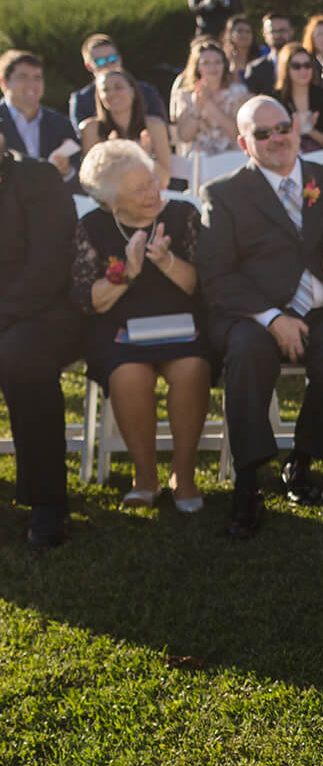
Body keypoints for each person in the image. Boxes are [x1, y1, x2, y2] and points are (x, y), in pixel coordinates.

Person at [197, 96, 323, 539]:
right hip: (254, 314)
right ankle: (247, 482)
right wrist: (272, 319)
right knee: (247, 356)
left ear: (296, 127)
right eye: (262, 133)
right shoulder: (224, 193)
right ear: (244, 142)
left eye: (282, 127)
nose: (276, 139)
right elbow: (217, 277)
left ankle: (301, 461)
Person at [72, 140, 212, 509]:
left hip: (182, 324)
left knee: (191, 369)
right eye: (139, 190)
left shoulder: (183, 215)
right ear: (112, 202)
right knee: (129, 375)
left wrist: (165, 262)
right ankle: (145, 476)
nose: (153, 193)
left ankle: (184, 474)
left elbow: (200, 285)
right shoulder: (93, 227)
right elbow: (88, 301)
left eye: (152, 181)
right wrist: (128, 273)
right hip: (118, 328)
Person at [0, 147, 82, 549]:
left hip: (45, 310)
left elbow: (49, 265)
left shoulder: (38, 179)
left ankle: (48, 502)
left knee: (22, 359)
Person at [79, 69, 173, 189]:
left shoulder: (154, 126)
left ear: (132, 91)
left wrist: (142, 157)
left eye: (118, 87)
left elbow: (164, 179)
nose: (112, 94)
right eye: (105, 90)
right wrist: (110, 158)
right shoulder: (91, 129)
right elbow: (90, 181)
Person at [1, 50, 77, 179]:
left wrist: (67, 171)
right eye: (23, 77)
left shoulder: (61, 124)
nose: (32, 85)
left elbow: (79, 174)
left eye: (37, 78)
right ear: (4, 83)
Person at [169, 39, 249, 158]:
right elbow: (184, 136)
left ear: (224, 65)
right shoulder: (184, 95)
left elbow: (236, 134)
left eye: (217, 62)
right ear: (197, 67)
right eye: (206, 63)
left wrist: (209, 105)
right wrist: (197, 108)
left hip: (232, 158)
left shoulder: (238, 92)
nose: (212, 67)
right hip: (198, 162)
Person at [68, 34, 169, 129]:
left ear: (120, 59)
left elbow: (163, 128)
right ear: (89, 66)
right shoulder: (81, 100)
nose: (108, 64)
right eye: (100, 61)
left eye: (112, 58)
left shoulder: (146, 91)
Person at [272, 42, 323, 152]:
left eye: (307, 65)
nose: (303, 70)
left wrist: (310, 130)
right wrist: (295, 130)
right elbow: (272, 141)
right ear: (286, 69)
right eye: (296, 66)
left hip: (322, 160)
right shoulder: (275, 100)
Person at [245, 14, 295, 95]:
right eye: (272, 31)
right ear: (264, 35)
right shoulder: (255, 69)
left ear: (292, 32)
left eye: (282, 30)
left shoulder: (306, 64)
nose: (278, 35)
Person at [222, 14, 257, 79]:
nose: (244, 35)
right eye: (240, 31)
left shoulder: (263, 54)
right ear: (230, 34)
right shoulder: (222, 59)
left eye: (248, 31)